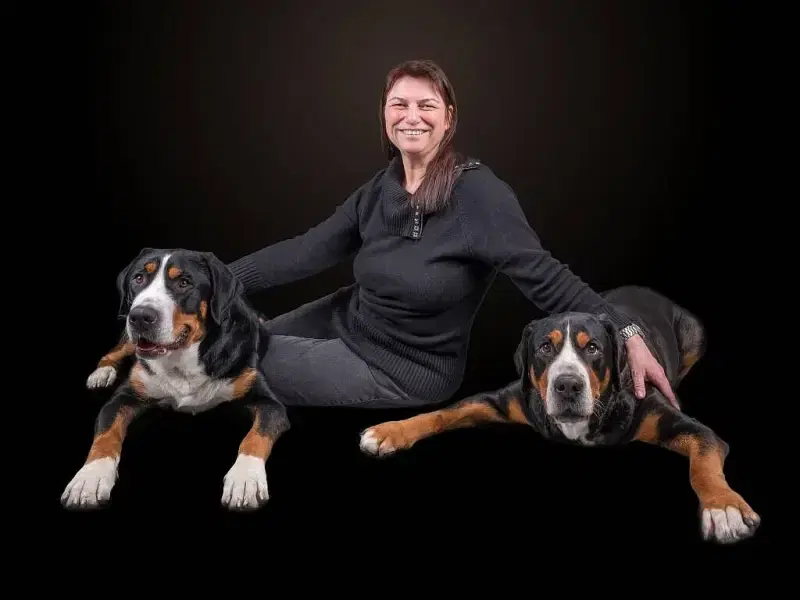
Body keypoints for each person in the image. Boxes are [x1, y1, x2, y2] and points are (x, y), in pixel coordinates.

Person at [227, 59, 678, 411]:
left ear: (448, 118)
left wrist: (627, 331)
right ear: (384, 114)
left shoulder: (478, 195)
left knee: (231, 359)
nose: (411, 117)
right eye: (399, 104)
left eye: (426, 105)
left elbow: (545, 276)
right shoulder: (380, 188)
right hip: (349, 318)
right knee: (233, 334)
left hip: (401, 367)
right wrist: (218, 278)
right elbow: (307, 249)